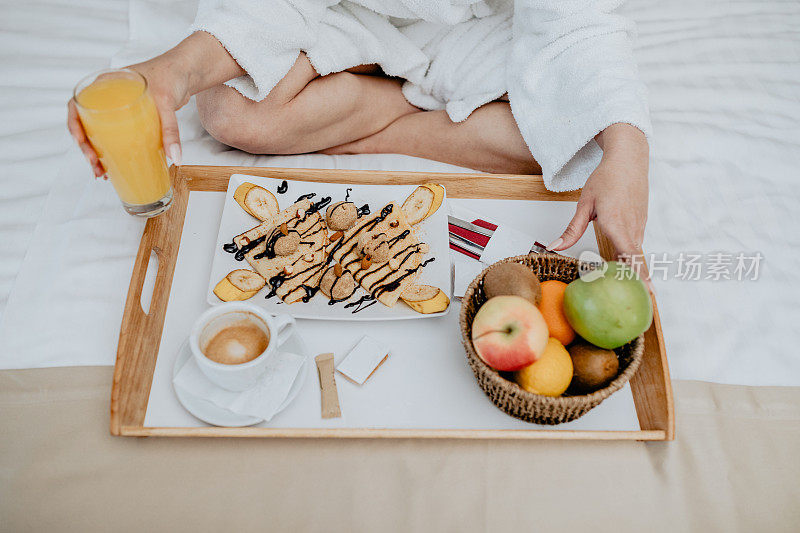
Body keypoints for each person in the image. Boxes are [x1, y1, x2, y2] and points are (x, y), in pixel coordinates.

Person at [68, 0, 650, 263]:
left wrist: (628, 150)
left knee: (575, 143)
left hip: (491, 23)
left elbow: (579, 25)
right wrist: (171, 73)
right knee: (225, 112)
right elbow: (265, 10)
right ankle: (397, 100)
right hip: (348, 11)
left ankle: (385, 126)